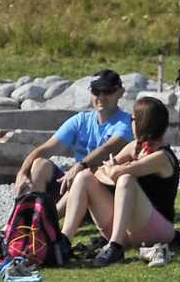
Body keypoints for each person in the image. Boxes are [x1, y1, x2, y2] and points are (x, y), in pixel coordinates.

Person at [59, 95, 180, 268]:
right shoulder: (135, 148)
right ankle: (63, 241)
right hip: (130, 229)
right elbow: (100, 171)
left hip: (158, 230)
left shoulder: (162, 157)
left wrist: (114, 169)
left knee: (126, 180)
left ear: (142, 122)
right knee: (84, 177)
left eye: (133, 118)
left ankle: (115, 246)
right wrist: (112, 169)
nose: (130, 121)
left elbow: (118, 173)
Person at [14, 68, 131, 223]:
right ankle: (29, 218)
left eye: (108, 91)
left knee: (82, 177)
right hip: (75, 183)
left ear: (120, 92)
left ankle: (39, 224)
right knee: (40, 164)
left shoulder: (125, 122)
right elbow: (46, 149)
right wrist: (22, 174)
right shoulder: (81, 120)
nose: (101, 97)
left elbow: (108, 148)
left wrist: (80, 166)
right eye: (96, 91)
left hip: (102, 191)